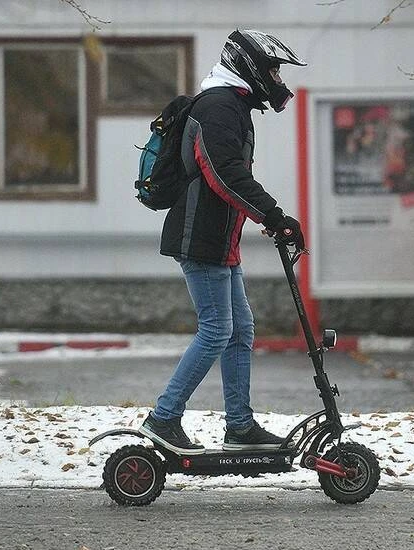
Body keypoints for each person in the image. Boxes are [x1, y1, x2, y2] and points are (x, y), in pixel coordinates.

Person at [141, 30, 307, 454]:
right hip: (200, 237)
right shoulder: (218, 106)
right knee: (217, 330)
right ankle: (163, 417)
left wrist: (266, 218)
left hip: (217, 238)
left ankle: (239, 426)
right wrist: (272, 215)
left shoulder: (231, 104)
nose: (276, 77)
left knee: (239, 330)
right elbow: (222, 172)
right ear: (248, 64)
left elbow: (227, 174)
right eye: (272, 68)